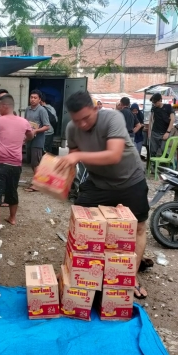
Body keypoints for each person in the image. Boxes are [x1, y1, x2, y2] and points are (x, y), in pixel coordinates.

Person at [55, 91, 149, 299]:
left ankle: (130, 277)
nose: (82, 125)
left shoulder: (112, 118)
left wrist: (77, 155)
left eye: (86, 118)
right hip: (98, 182)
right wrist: (58, 180)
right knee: (80, 222)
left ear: (96, 108)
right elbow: (73, 158)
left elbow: (114, 155)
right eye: (76, 120)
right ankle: (74, 271)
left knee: (138, 226)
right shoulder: (72, 128)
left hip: (130, 179)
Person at [0, 95, 34, 225]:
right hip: (16, 164)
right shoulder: (24, 122)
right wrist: (23, 139)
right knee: (12, 190)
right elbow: (30, 135)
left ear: (4, 106)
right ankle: (12, 218)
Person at [24, 89, 50, 192]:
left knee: (35, 162)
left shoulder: (42, 110)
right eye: (31, 97)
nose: (33, 100)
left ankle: (37, 184)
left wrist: (36, 131)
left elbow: (47, 126)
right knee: (31, 161)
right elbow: (26, 123)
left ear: (39, 100)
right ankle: (39, 181)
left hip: (38, 140)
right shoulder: (27, 109)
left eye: (35, 98)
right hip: (29, 139)